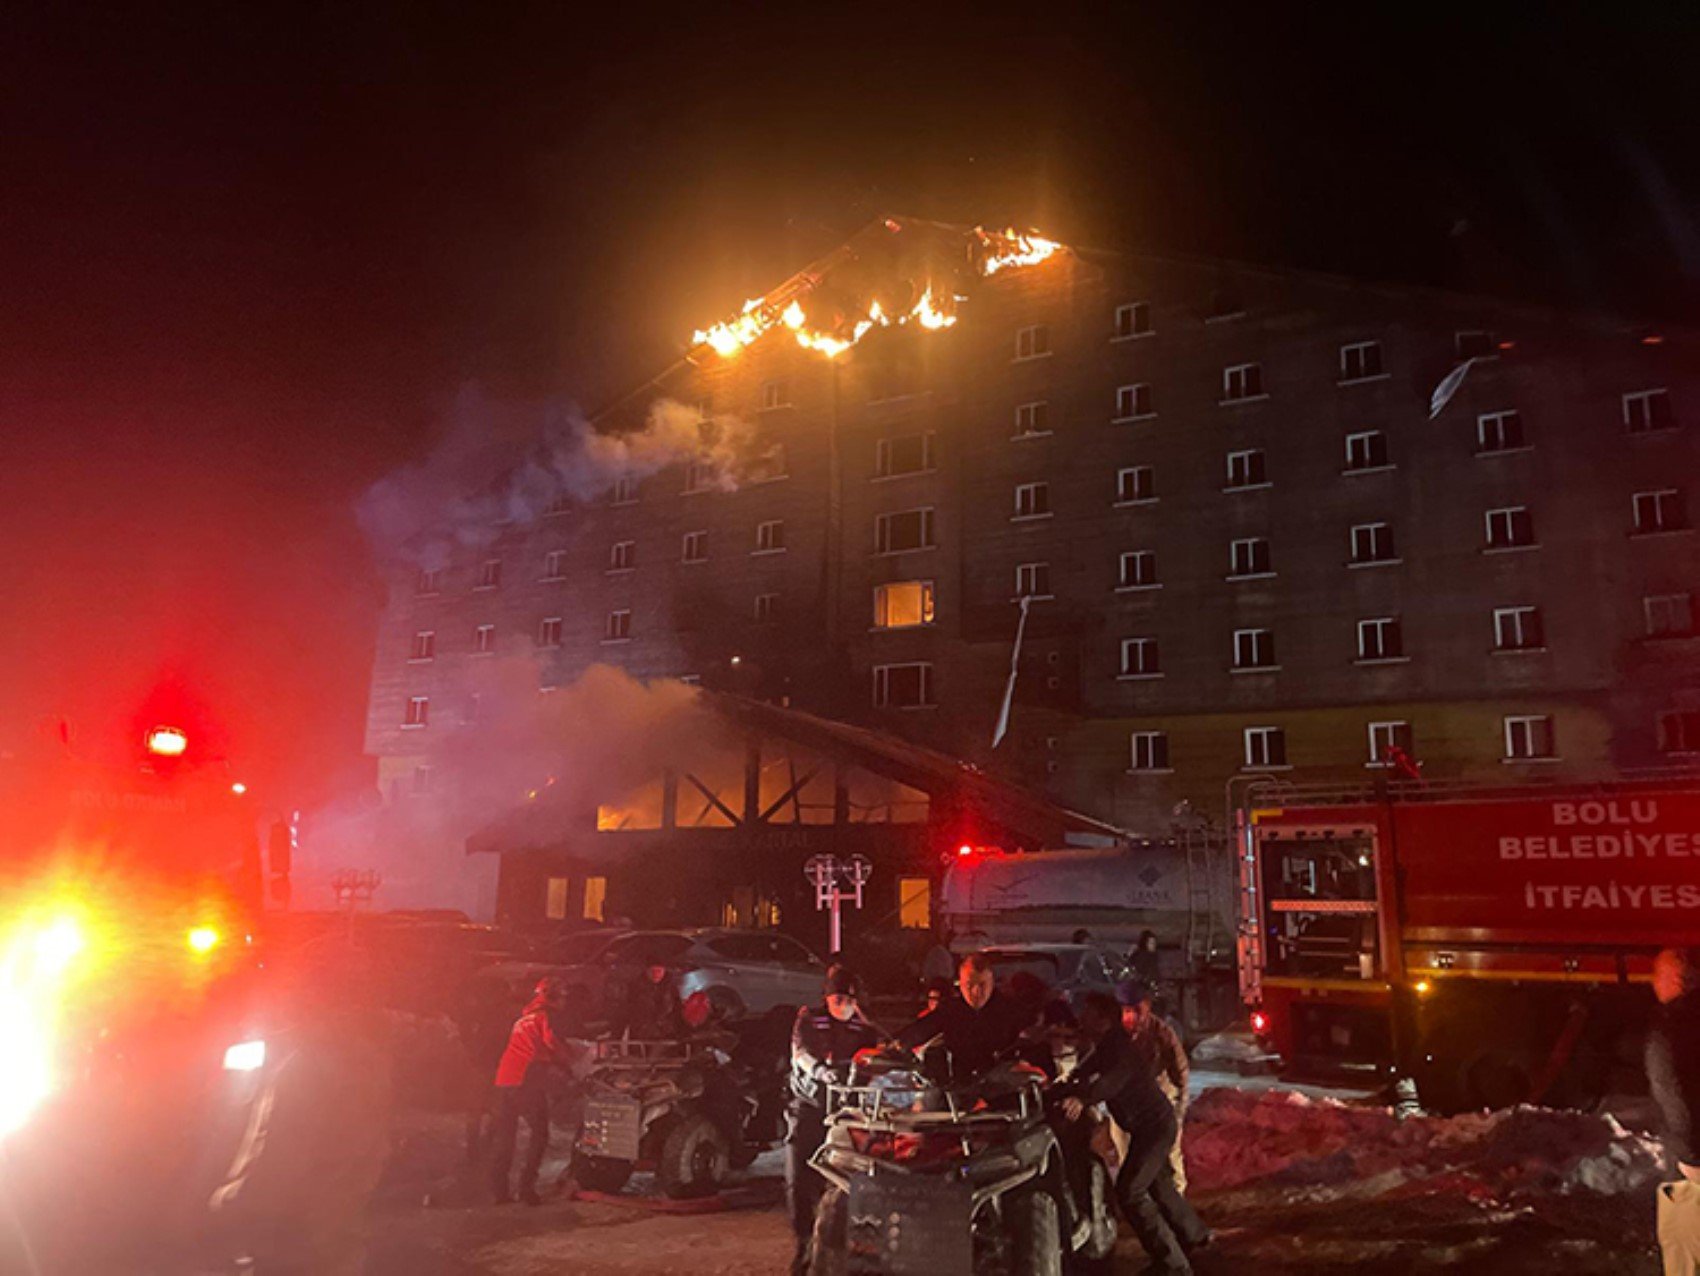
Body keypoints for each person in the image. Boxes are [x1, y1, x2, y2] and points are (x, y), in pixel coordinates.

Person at [1058, 990, 1209, 1275]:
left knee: (1130, 1191)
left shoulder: (1120, 1049)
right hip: (1147, 1129)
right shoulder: (1106, 1047)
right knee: (1159, 1185)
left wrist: (1082, 1099)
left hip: (1155, 1128)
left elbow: (1110, 1082)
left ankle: (1172, 1264)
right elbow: (1083, 1074)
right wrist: (1059, 1090)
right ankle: (1195, 1236)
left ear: (1103, 1021)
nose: (1081, 1019)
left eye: (1088, 1014)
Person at [787, 964, 880, 1275]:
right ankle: (803, 1242)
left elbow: (877, 1058)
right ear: (827, 998)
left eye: (849, 1000)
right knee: (801, 1174)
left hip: (849, 1111)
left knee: (856, 1177)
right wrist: (818, 1071)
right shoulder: (810, 1019)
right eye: (837, 999)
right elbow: (800, 1052)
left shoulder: (864, 1027)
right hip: (811, 1105)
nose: (843, 1006)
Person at [490, 976, 571, 1205]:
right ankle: (527, 1189)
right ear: (553, 997)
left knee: (506, 1136)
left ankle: (500, 1191)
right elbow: (552, 1044)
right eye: (563, 996)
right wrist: (570, 1062)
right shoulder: (544, 1018)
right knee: (540, 1133)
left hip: (505, 1079)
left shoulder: (522, 1019)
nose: (565, 1001)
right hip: (526, 1079)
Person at [1647, 946, 1700, 1275]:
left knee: (1685, 1254)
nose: (1653, 983)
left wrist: (1690, 1156)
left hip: (1691, 1170)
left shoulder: (1670, 1030)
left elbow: (1675, 1093)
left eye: (1657, 975)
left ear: (1675, 979)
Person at [897, 952, 1030, 1079]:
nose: (976, 992)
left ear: (992, 983)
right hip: (958, 1088)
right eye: (969, 985)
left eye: (983, 985)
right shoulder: (950, 1010)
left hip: (1001, 1088)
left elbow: (1032, 1040)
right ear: (960, 984)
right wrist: (893, 1044)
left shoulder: (1010, 1010)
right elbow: (921, 1030)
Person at [1120, 980, 1191, 1190]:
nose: (1131, 1016)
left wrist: (1179, 1109)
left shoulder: (1162, 1033)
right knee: (1130, 1156)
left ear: (1147, 1006)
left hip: (1160, 1102)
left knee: (1169, 1154)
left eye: (1137, 1010)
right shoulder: (1118, 1035)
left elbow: (1180, 1073)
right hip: (1128, 1106)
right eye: (1126, 1010)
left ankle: (1177, 1198)